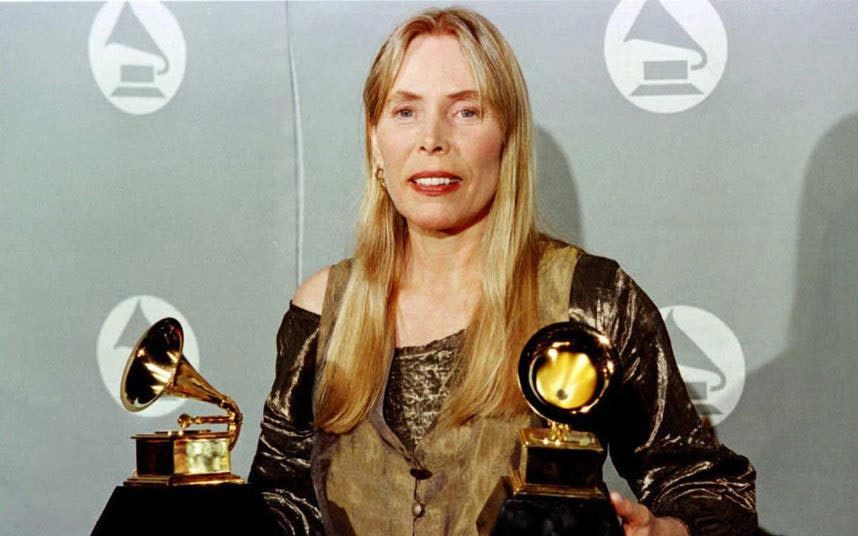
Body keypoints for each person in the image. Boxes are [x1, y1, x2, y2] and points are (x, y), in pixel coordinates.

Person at [249, 7, 756, 536]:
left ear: (507, 137)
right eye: (405, 112)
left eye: (466, 112)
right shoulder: (323, 307)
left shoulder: (591, 301)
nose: (432, 139)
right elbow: (284, 502)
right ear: (375, 142)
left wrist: (666, 532)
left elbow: (710, 488)